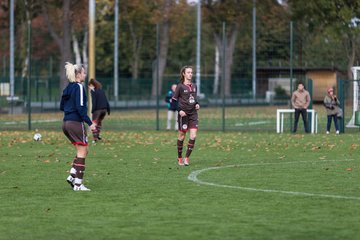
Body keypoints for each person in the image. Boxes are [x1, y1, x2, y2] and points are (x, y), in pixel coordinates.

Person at [60, 62, 96, 191]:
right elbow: (81, 108)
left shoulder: (68, 87)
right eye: (84, 72)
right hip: (75, 123)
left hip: (66, 123)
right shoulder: (79, 87)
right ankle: (78, 185)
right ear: (78, 74)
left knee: (83, 151)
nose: (85, 75)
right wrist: (90, 123)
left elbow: (62, 106)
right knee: (82, 151)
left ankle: (72, 176)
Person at [172, 66, 200, 166]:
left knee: (193, 135)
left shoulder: (194, 86)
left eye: (191, 72)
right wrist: (179, 110)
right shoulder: (180, 86)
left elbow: (194, 99)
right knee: (182, 136)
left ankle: (186, 158)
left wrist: (197, 104)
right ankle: (179, 157)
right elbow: (174, 101)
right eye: (188, 72)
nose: (190, 74)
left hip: (193, 114)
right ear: (184, 74)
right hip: (183, 115)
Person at [89, 78, 110, 143]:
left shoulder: (93, 91)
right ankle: (97, 135)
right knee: (99, 122)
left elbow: (94, 102)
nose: (89, 87)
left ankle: (95, 138)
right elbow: (106, 100)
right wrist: (108, 109)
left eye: (89, 85)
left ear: (92, 85)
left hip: (97, 110)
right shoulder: (101, 90)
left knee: (94, 123)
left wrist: (92, 111)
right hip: (104, 110)